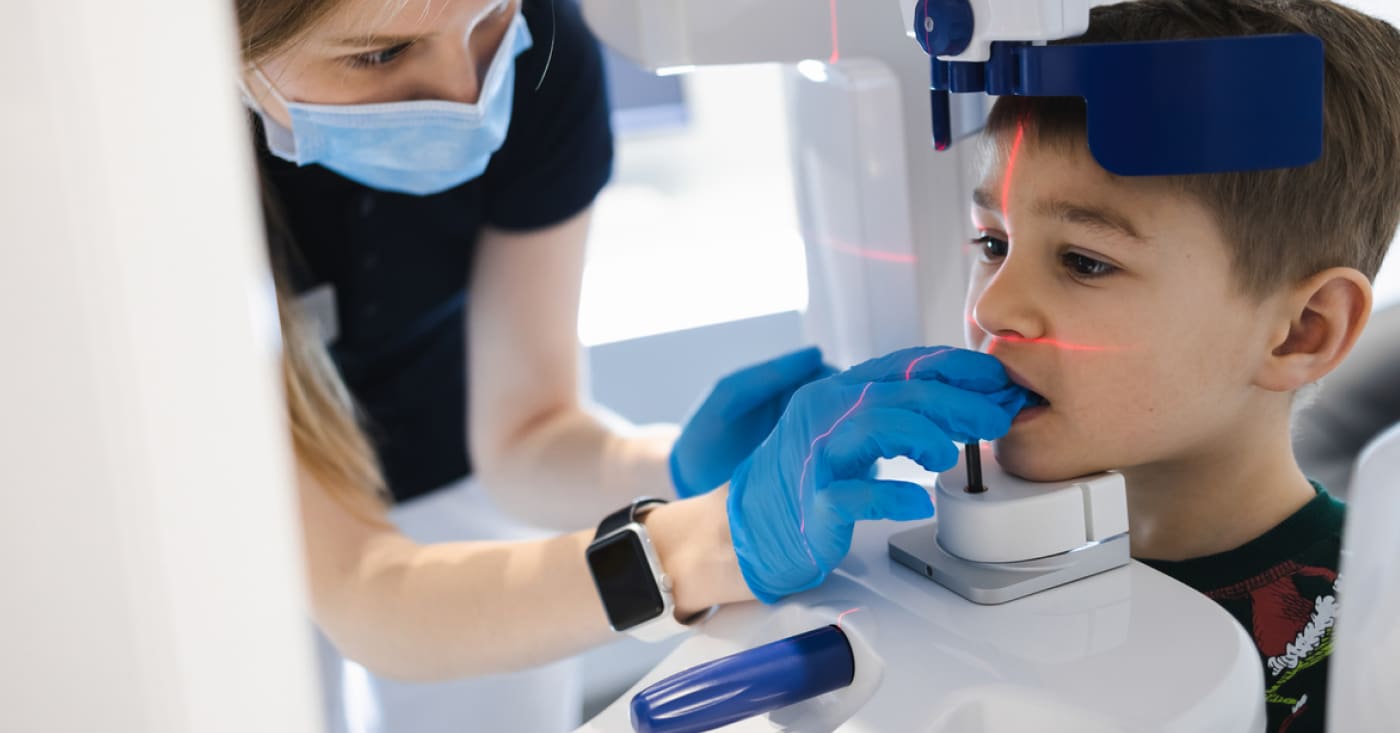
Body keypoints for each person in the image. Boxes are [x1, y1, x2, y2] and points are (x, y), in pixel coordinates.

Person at [232, 0, 834, 728]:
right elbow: (368, 594)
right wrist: (692, 547)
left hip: (440, 437)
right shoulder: (147, 157)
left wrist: (674, 467)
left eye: (488, 17)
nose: (467, 91)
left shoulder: (540, 59)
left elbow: (528, 436)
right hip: (225, 495)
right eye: (381, 56)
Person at [960, 1, 1400, 730]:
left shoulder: (1374, 637)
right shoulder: (949, 530)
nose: (993, 309)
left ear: (1301, 331)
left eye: (1085, 261)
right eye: (993, 244)